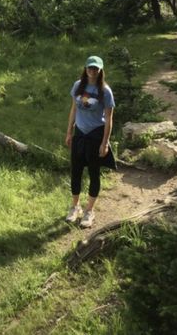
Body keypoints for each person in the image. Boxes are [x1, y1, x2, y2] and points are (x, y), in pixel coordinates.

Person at [65, 55, 116, 228]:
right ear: (85, 68)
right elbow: (73, 109)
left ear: (100, 70)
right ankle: (75, 207)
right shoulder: (78, 85)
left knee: (94, 173)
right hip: (79, 133)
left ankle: (89, 211)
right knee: (76, 171)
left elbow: (109, 119)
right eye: (89, 68)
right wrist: (69, 132)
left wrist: (105, 142)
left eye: (95, 68)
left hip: (95, 135)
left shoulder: (105, 91)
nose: (92, 71)